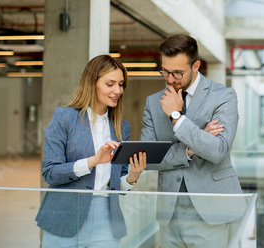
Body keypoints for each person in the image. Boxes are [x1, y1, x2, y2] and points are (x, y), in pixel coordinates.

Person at [140, 34, 246, 247]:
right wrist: (190, 150)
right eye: (165, 71)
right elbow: (149, 158)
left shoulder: (223, 96)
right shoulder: (153, 102)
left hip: (211, 210)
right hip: (169, 213)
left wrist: (177, 117)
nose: (170, 79)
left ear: (196, 65)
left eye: (178, 73)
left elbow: (217, 150)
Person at [35, 55, 147, 247]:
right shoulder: (64, 118)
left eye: (121, 84)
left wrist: (132, 177)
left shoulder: (122, 127)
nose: (117, 90)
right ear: (91, 83)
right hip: (65, 215)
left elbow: (116, 186)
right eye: (110, 83)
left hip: (107, 219)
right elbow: (50, 173)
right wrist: (92, 161)